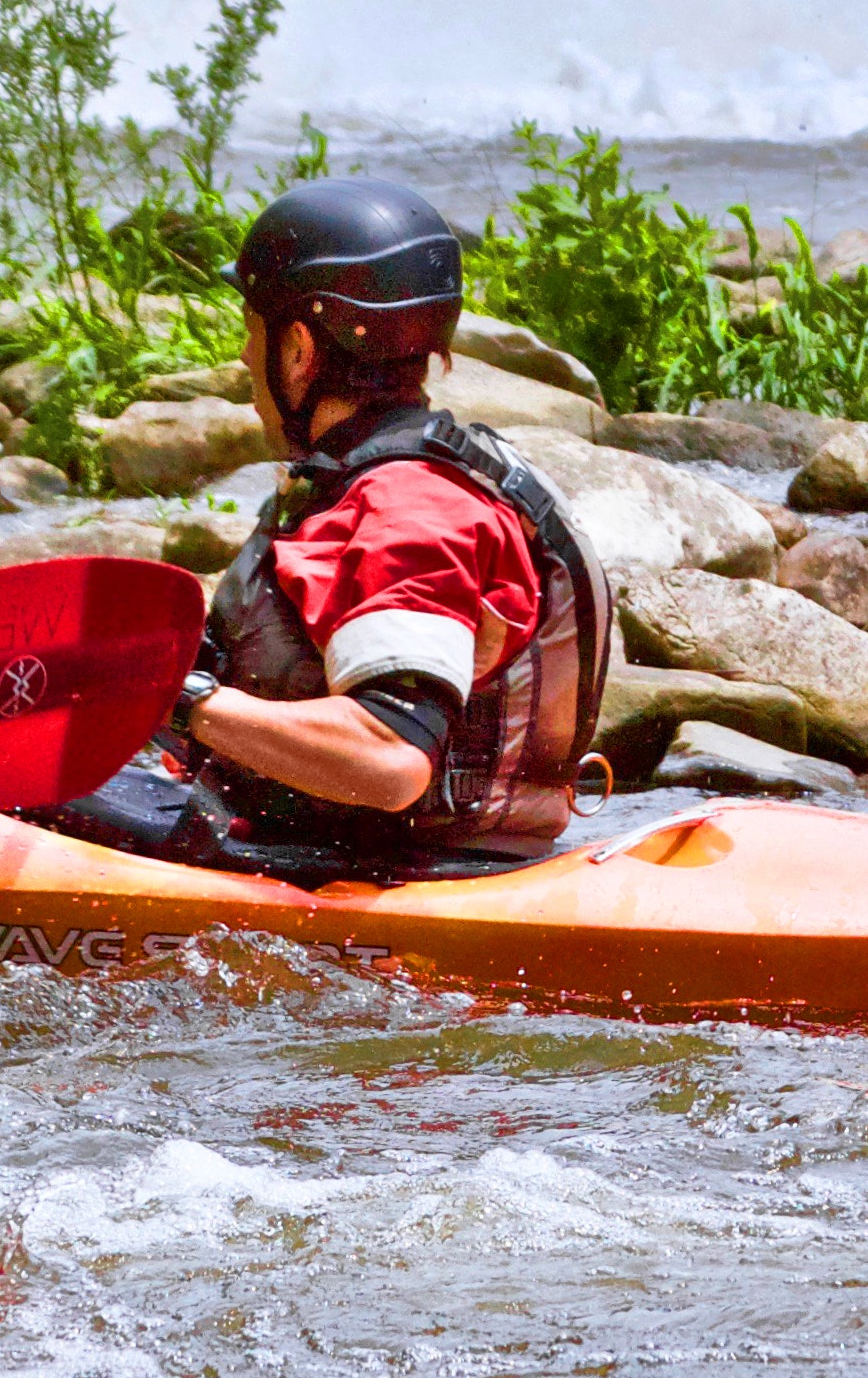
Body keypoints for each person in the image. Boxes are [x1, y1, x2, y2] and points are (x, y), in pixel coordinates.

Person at [34, 173, 612, 883]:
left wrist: (183, 702)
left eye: (253, 333)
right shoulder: (395, 478)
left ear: (300, 349)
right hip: (396, 848)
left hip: (397, 870)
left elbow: (389, 758)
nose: (247, 359)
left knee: (8, 793)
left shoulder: (408, 509)